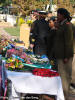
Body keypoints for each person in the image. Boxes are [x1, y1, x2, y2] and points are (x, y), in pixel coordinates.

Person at [53, 8, 74, 100]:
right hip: (59, 55)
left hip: (64, 56)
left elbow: (69, 42)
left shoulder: (68, 25)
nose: (57, 16)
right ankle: (59, 95)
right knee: (60, 76)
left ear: (63, 15)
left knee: (64, 77)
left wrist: (66, 56)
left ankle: (64, 97)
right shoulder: (62, 25)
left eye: (58, 14)